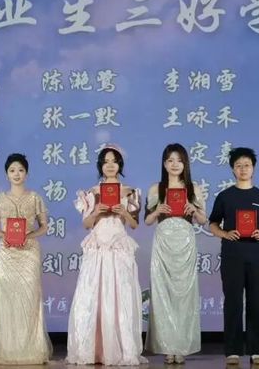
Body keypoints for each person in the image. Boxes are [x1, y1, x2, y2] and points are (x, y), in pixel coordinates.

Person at [66, 145, 147, 365]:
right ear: (100, 165)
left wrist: (124, 213)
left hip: (119, 246)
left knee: (121, 295)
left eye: (114, 161)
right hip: (97, 247)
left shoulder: (129, 192)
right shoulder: (92, 192)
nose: (110, 165)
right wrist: (96, 212)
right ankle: (93, 350)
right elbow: (86, 224)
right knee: (93, 294)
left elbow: (134, 225)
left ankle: (121, 349)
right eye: (106, 161)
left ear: (120, 165)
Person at [208, 147, 259, 366]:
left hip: (256, 255)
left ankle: (257, 349)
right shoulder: (225, 196)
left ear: (253, 168)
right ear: (232, 169)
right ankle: (233, 350)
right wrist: (225, 234)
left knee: (257, 302)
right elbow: (212, 223)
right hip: (232, 255)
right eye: (238, 166)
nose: (243, 169)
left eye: (247, 165)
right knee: (233, 302)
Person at [144, 143, 207, 364]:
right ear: (164, 164)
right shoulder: (156, 188)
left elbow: (203, 220)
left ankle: (181, 346)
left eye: (179, 160)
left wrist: (194, 209)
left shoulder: (193, 188)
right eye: (170, 160)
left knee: (184, 294)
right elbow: (147, 220)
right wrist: (157, 211)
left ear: (185, 163)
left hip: (185, 242)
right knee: (163, 294)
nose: (175, 164)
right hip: (163, 242)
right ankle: (167, 347)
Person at [0, 153, 52, 365]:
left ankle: (32, 349)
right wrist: (5, 236)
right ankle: (8, 350)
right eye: (12, 170)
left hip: (28, 252)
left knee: (30, 299)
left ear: (27, 173)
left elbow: (44, 226)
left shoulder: (35, 198)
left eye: (21, 170)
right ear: (7, 174)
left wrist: (28, 236)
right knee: (7, 301)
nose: (17, 174)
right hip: (7, 254)